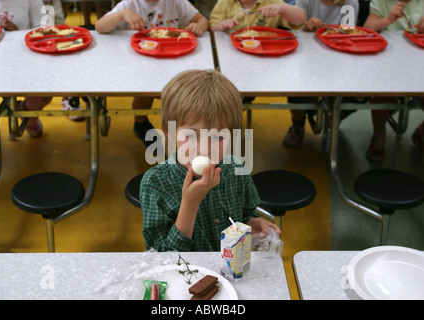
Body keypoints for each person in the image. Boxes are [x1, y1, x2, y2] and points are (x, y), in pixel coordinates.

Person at [140, 69, 281, 251]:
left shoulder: (236, 170)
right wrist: (190, 203)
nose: (205, 148)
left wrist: (252, 224)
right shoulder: (156, 183)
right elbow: (161, 257)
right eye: (191, 135)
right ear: (169, 131)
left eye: (218, 137)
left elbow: (244, 215)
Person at [95, 0, 209, 147]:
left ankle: (184, 130)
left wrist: (199, 25)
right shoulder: (129, 4)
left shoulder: (176, 2)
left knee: (183, 95)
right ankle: (141, 122)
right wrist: (122, 15)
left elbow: (202, 19)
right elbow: (99, 27)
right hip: (140, 64)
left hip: (173, 60)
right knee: (145, 91)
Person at [283, 0, 359, 148]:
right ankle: (298, 124)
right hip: (308, 56)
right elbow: (296, 27)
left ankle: (338, 114)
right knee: (295, 86)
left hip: (338, 57)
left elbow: (347, 34)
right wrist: (305, 24)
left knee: (359, 90)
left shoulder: (350, 3)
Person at [0, 0, 51, 142]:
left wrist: (19, 35)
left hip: (24, 61)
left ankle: (28, 115)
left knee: (43, 96)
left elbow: (45, 33)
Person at [363, 0, 424, 161]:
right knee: (382, 95)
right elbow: (367, 27)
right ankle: (379, 135)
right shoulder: (381, 2)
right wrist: (388, 20)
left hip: (419, 61)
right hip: (390, 64)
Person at [209, 0, 307, 33]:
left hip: (265, 53)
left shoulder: (271, 2)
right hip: (231, 50)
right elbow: (212, 28)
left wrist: (282, 9)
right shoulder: (225, 2)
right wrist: (220, 25)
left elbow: (300, 20)